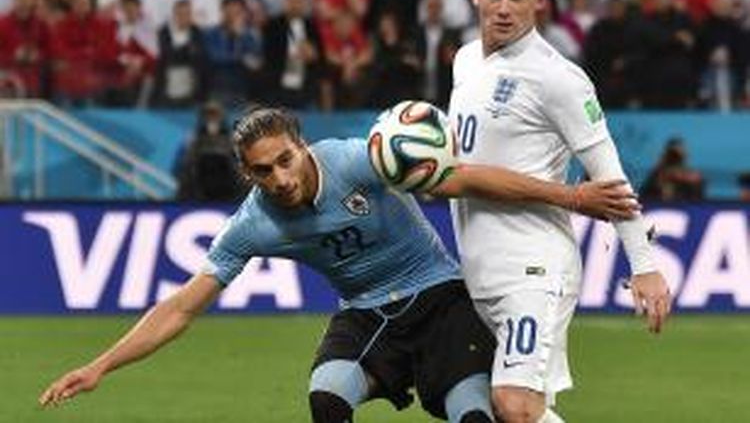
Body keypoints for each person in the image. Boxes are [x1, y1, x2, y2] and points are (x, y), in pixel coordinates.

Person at [40, 106, 638, 422]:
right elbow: (180, 308)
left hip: (440, 300)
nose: (280, 178)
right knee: (327, 398)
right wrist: (101, 366)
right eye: (262, 171)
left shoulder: (357, 161)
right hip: (367, 316)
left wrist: (572, 196)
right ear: (246, 174)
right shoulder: (255, 223)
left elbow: (459, 178)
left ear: (302, 145)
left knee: (475, 417)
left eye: (285, 160)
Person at [448, 0, 672, 423]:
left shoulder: (559, 79)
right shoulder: (465, 61)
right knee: (506, 408)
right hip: (479, 266)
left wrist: (644, 264)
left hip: (534, 265)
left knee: (516, 405)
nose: (504, 8)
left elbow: (609, 174)